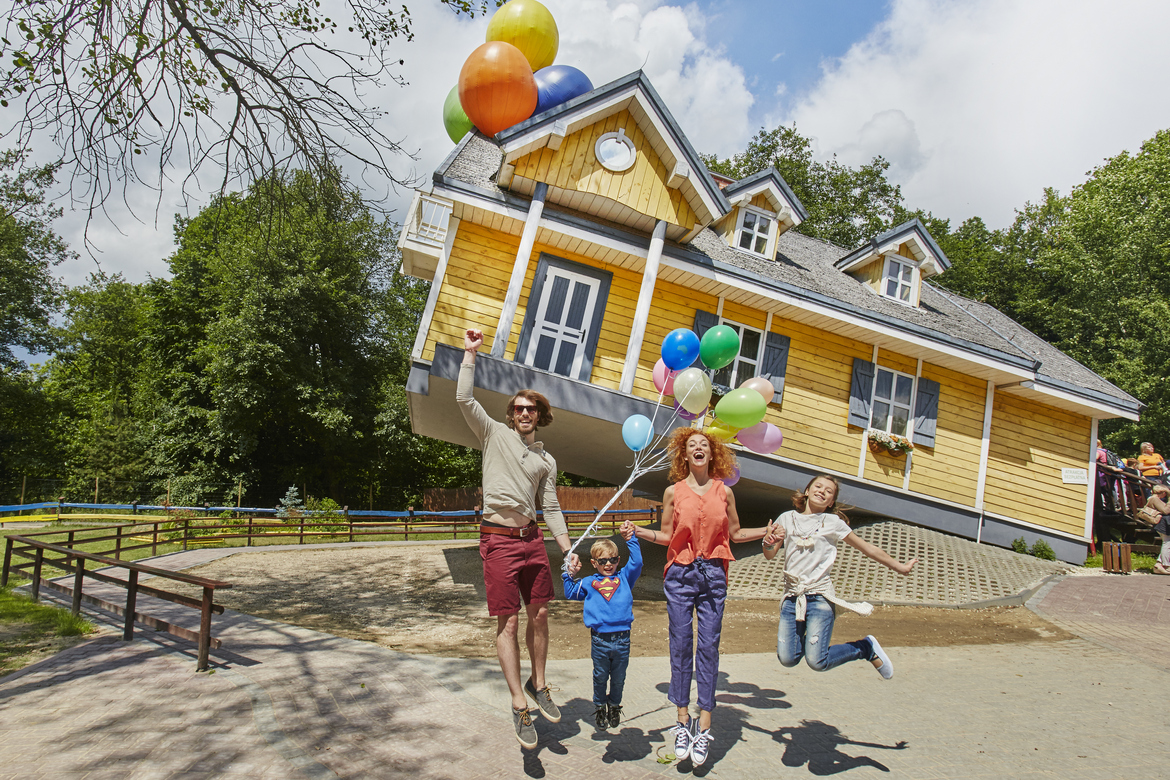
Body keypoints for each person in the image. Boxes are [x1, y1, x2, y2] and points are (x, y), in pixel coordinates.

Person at [458, 327, 577, 750]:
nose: (524, 413)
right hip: (498, 540)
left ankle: (538, 683)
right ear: (511, 415)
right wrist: (471, 354)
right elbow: (464, 400)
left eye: (531, 409)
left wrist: (567, 548)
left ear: (539, 416)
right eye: (518, 408)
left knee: (541, 614)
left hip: (532, 541)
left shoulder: (547, 460)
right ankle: (517, 704)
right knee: (507, 622)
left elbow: (552, 507)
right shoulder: (493, 434)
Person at [628, 427, 770, 767]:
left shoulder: (725, 492)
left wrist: (769, 529)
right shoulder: (673, 492)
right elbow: (666, 535)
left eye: (703, 445)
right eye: (691, 445)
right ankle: (681, 720)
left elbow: (735, 534)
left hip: (714, 574)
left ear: (712, 453)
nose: (698, 448)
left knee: (707, 648)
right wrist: (636, 531)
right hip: (680, 574)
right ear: (684, 454)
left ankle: (704, 725)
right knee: (680, 645)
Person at [763, 475, 917, 680]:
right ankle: (816, 645)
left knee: (817, 662)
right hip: (792, 598)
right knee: (787, 658)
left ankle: (865, 648)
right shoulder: (786, 518)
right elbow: (770, 553)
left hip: (820, 598)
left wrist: (900, 567)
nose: (822, 491)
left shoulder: (833, 522)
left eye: (828, 491)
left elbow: (867, 548)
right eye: (817, 486)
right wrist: (768, 542)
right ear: (807, 491)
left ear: (831, 502)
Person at [562, 524, 643, 730]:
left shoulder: (624, 578)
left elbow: (637, 562)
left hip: (622, 639)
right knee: (600, 676)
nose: (608, 564)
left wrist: (630, 539)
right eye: (603, 561)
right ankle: (599, 707)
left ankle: (614, 706)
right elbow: (571, 592)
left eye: (613, 560)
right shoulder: (589, 582)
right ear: (594, 562)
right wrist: (568, 573)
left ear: (618, 560)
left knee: (618, 678)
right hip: (600, 640)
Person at [1143, 485, 1170, 575]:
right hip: (1163, 523)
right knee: (1167, 543)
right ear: (1162, 493)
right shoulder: (1154, 499)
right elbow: (1165, 510)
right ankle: (1165, 565)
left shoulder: (1153, 498)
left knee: (1167, 542)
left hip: (1162, 523)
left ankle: (1159, 563)